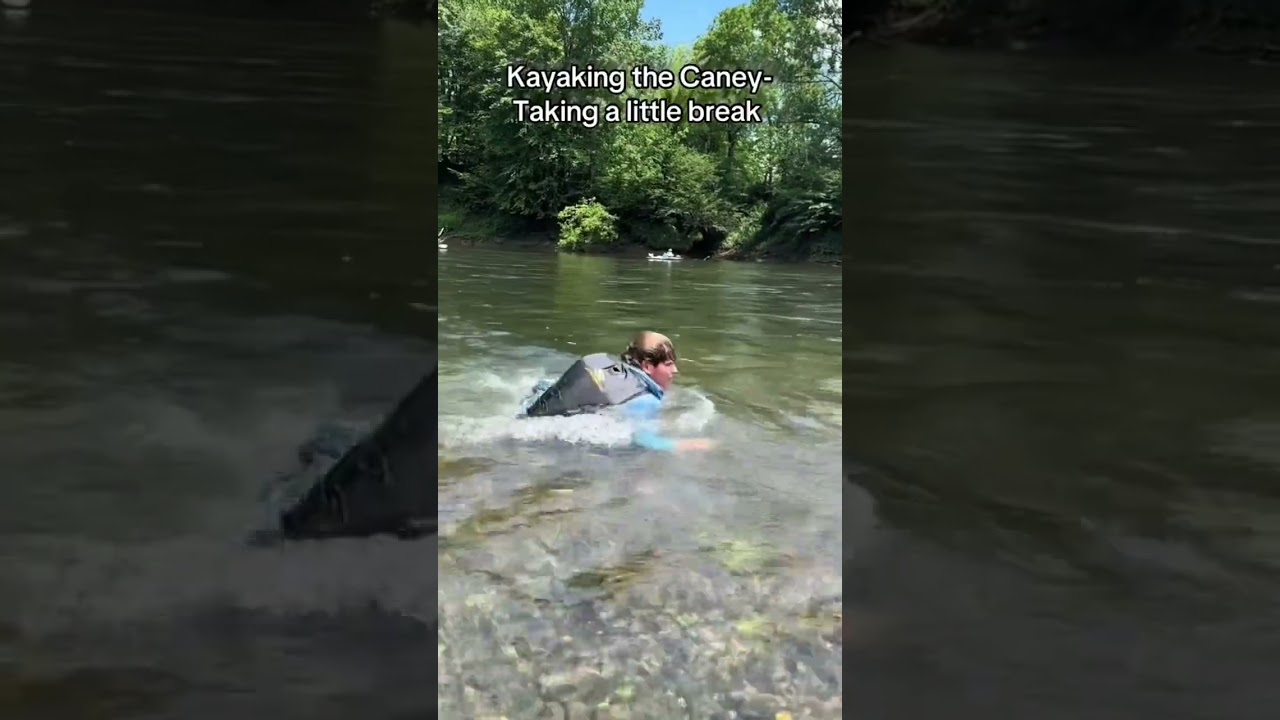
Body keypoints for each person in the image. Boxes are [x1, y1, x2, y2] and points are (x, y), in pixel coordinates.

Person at [522, 331, 713, 452]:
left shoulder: (613, 370)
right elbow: (643, 440)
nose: (675, 371)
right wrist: (689, 445)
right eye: (669, 365)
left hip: (534, 410)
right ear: (647, 366)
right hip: (547, 443)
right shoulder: (645, 399)